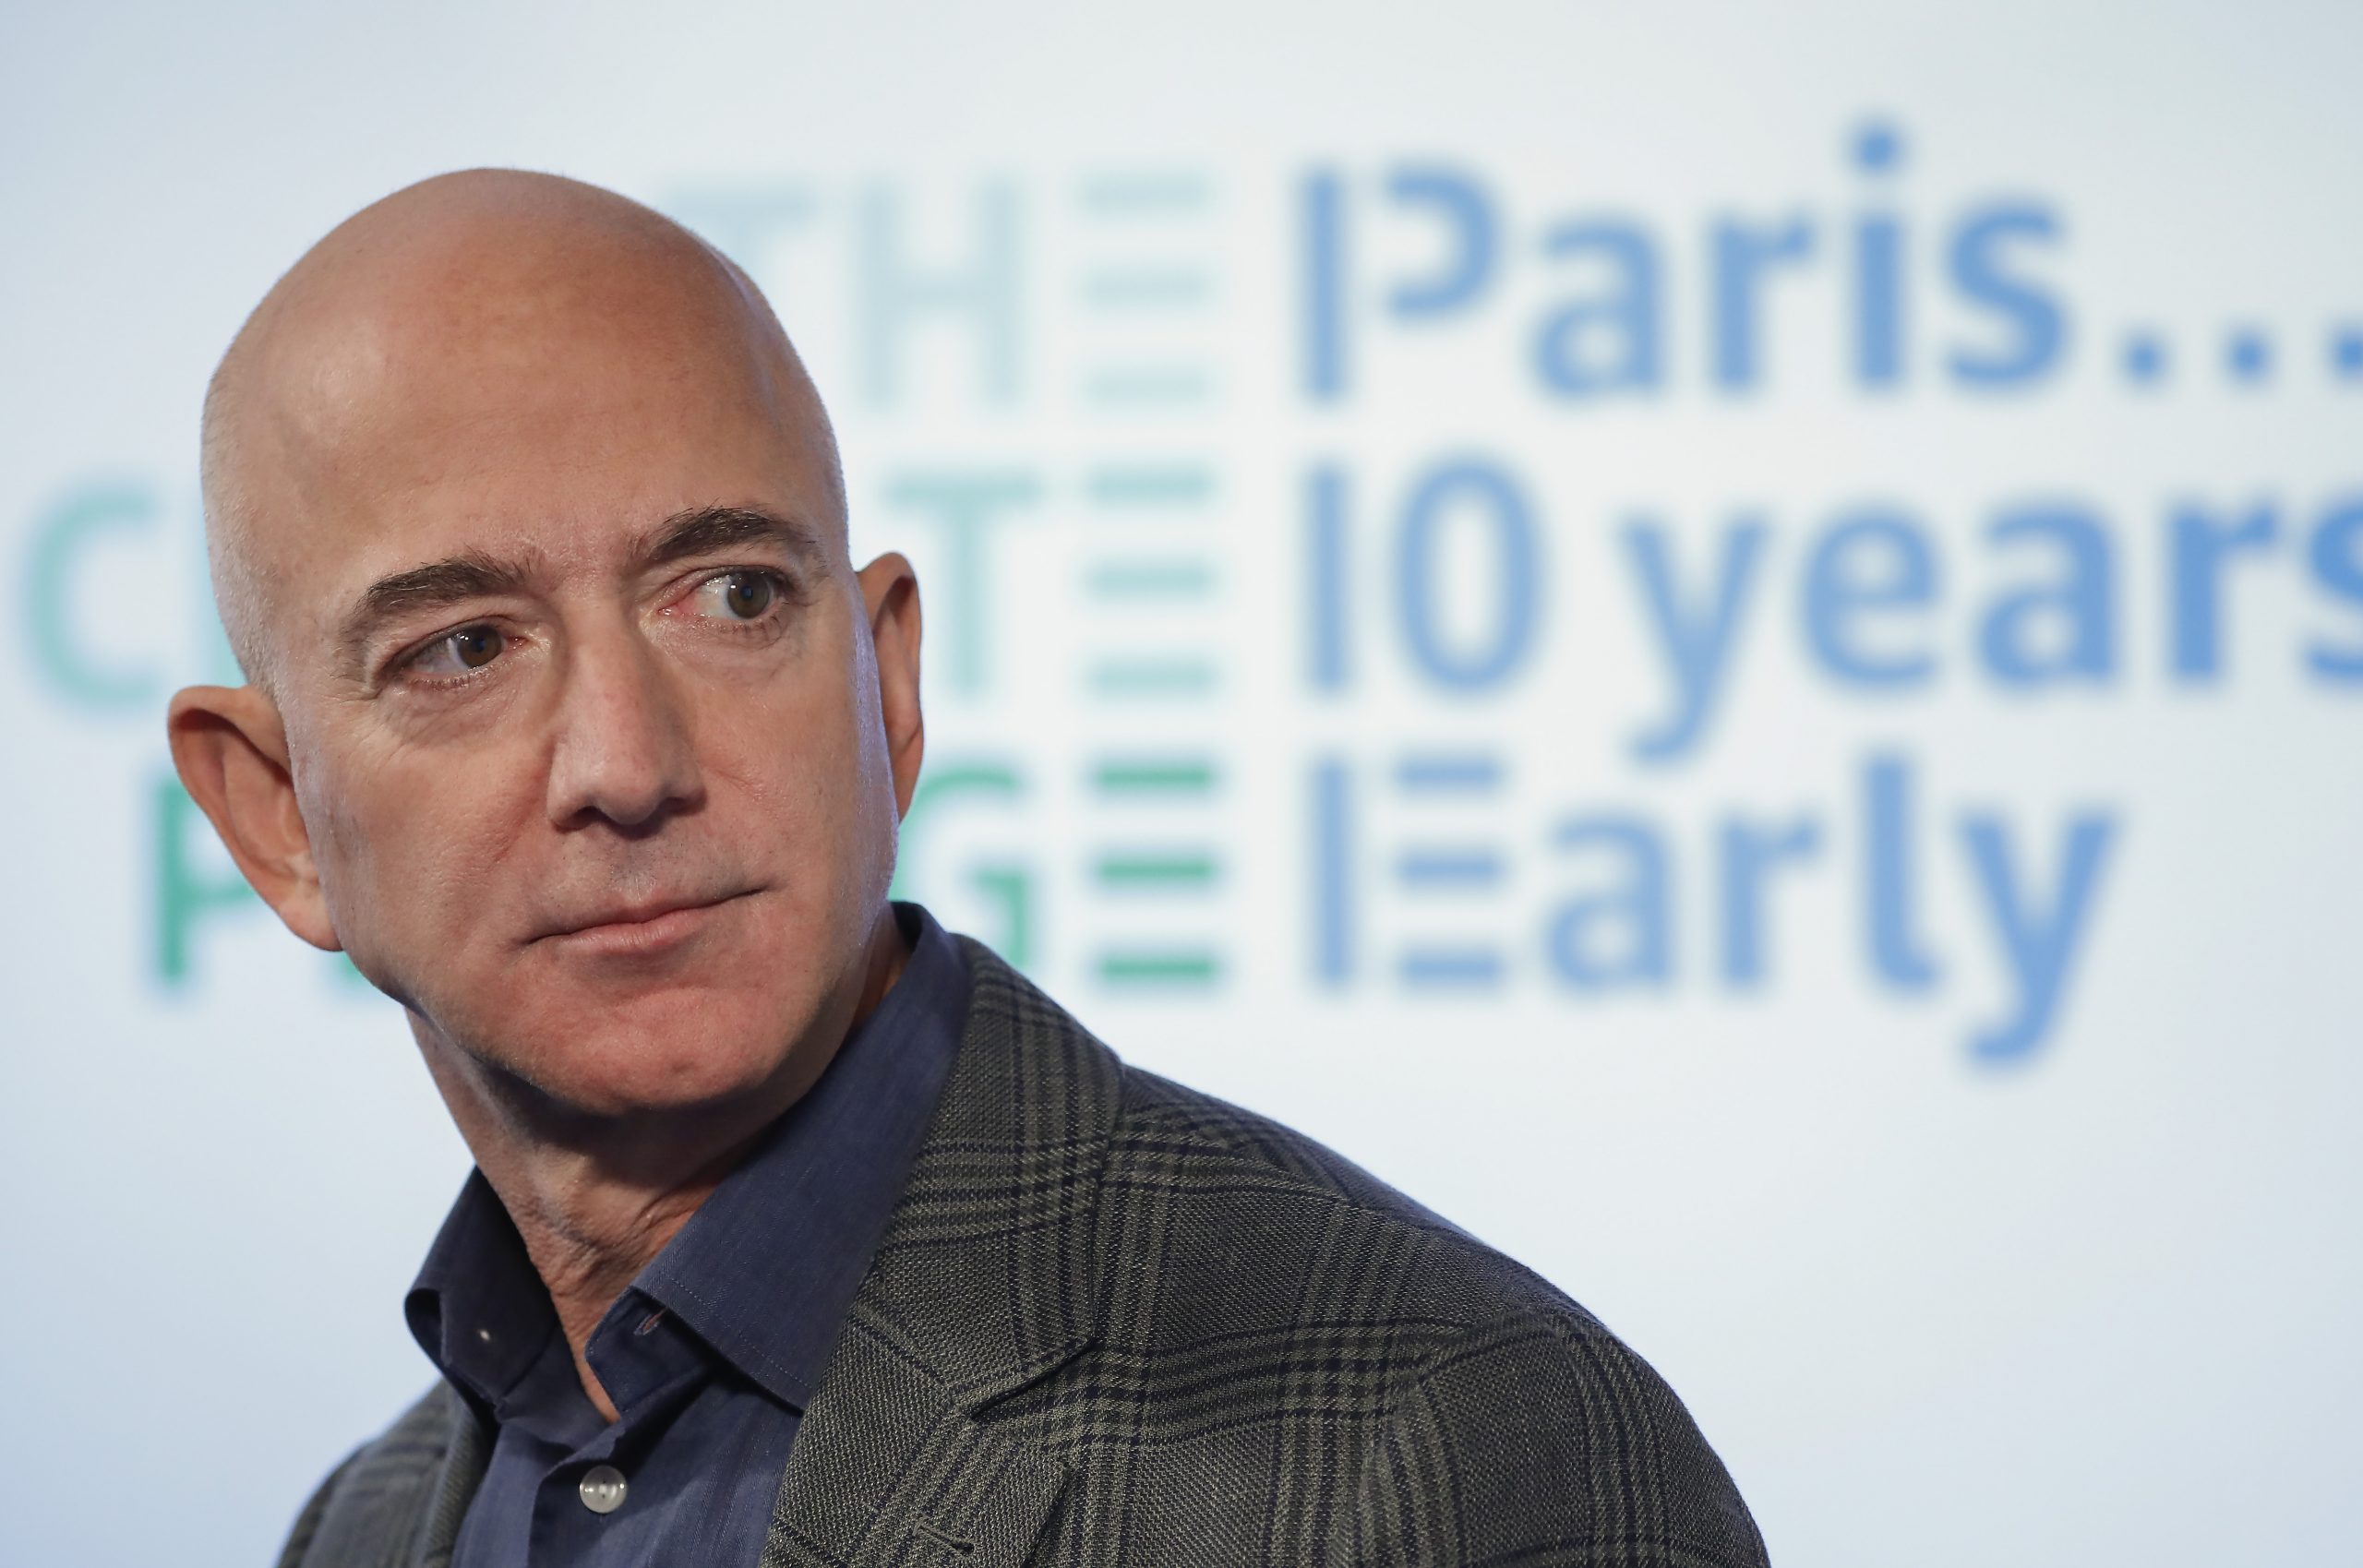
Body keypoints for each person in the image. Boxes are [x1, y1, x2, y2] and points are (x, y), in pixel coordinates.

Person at [167, 169, 1769, 1568]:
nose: (628, 764)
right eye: (463, 648)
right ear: (276, 819)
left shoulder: (1447, 1450)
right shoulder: (366, 1527)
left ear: (887, 687)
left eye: (730, 596)